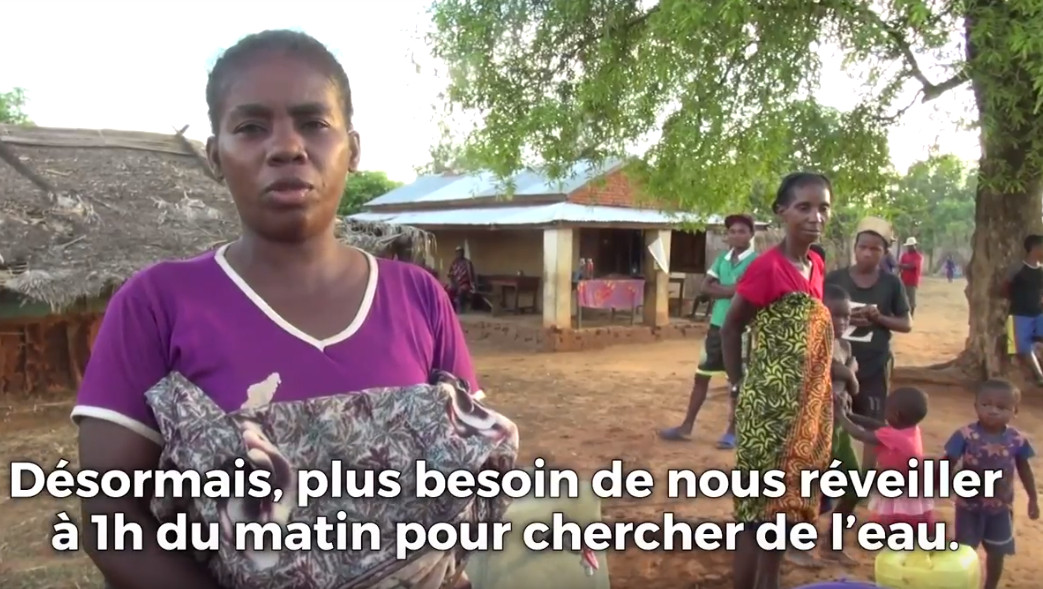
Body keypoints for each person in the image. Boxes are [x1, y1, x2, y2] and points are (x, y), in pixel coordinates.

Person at [71, 30, 489, 589]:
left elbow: (467, 476)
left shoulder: (418, 297)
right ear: (215, 156)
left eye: (314, 123)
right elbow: (111, 516)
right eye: (251, 127)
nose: (288, 147)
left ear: (353, 149)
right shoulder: (156, 305)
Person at [721, 172, 833, 589]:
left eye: (823, 207)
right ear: (781, 212)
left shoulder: (816, 264)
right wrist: (737, 386)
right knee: (755, 516)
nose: (815, 216)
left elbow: (808, 334)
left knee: (783, 512)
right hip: (768, 413)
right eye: (804, 207)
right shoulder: (766, 268)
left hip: (806, 412)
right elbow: (731, 327)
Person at [660, 213, 757, 448]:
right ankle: (686, 426)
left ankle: (732, 432)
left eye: (742, 231)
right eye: (732, 231)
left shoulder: (757, 262)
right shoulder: (722, 259)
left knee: (736, 382)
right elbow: (705, 287)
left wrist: (722, 289)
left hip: (741, 329)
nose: (736, 235)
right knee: (701, 376)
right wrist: (734, 290)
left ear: (751, 235)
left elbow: (747, 291)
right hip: (716, 327)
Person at [825, 225, 912, 471]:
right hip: (835, 364)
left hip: (875, 364)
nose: (867, 253)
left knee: (873, 421)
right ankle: (830, 472)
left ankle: (867, 474)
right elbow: (818, 313)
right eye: (863, 247)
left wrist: (879, 318)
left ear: (885, 253)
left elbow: (906, 324)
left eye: (875, 249)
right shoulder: (834, 279)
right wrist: (846, 318)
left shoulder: (891, 283)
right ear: (854, 248)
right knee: (831, 417)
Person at [941, 379, 1038, 589]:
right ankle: (962, 583)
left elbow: (1024, 468)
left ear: (1015, 411)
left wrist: (1033, 498)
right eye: (986, 404)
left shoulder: (1017, 440)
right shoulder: (965, 435)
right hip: (968, 506)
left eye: (1001, 407)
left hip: (1000, 508)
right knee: (964, 550)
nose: (992, 411)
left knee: (997, 551)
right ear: (976, 406)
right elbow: (948, 462)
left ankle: (990, 586)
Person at [835, 387, 934, 531]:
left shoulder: (895, 436)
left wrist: (840, 416)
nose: (884, 413)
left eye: (887, 409)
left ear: (897, 415)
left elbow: (860, 435)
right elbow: (877, 425)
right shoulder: (911, 430)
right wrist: (851, 415)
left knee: (893, 520)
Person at [1001, 234, 1043, 387]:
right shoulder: (1017, 268)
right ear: (1035, 248)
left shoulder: (1041, 269)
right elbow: (1005, 287)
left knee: (1036, 343)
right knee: (1022, 348)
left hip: (1038, 312)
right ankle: (1039, 376)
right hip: (1019, 313)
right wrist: (1016, 299)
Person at [898, 237, 923, 316]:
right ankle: (904, 316)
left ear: (915, 246)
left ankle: (911, 316)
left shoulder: (918, 256)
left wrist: (901, 265)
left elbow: (912, 266)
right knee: (903, 299)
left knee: (911, 301)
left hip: (912, 281)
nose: (910, 247)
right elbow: (900, 267)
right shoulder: (904, 255)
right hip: (903, 280)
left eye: (912, 246)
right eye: (909, 246)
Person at [448, 245, 477, 312]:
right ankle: (451, 308)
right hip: (455, 283)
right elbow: (450, 273)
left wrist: (472, 284)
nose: (459, 254)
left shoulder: (467, 263)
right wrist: (452, 279)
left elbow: (471, 275)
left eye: (460, 252)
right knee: (449, 290)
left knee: (461, 290)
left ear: (463, 253)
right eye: (457, 252)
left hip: (465, 283)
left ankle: (460, 308)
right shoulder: (454, 263)